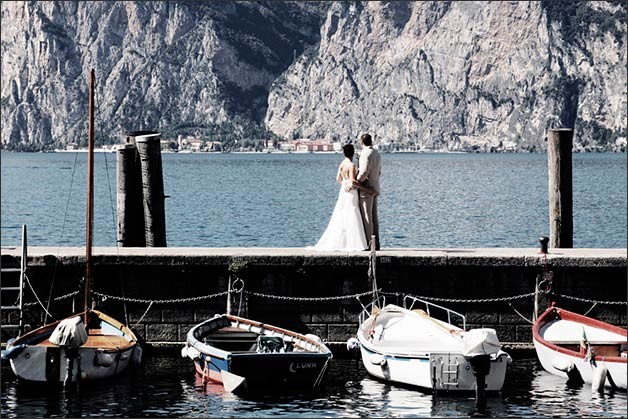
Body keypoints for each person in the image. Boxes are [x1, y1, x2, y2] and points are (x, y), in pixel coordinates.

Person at [312, 144, 374, 251]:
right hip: (350, 193)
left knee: (342, 214)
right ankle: (354, 243)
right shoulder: (351, 165)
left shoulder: (342, 164)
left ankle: (343, 242)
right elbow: (353, 181)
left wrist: (345, 184)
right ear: (353, 153)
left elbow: (338, 179)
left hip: (343, 192)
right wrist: (367, 190)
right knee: (352, 213)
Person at [354, 133, 381, 250]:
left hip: (367, 189)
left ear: (361, 142)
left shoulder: (365, 153)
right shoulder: (376, 153)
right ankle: (377, 243)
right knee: (374, 217)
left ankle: (370, 244)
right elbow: (379, 171)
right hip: (376, 186)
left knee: (367, 216)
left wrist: (357, 181)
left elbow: (364, 172)